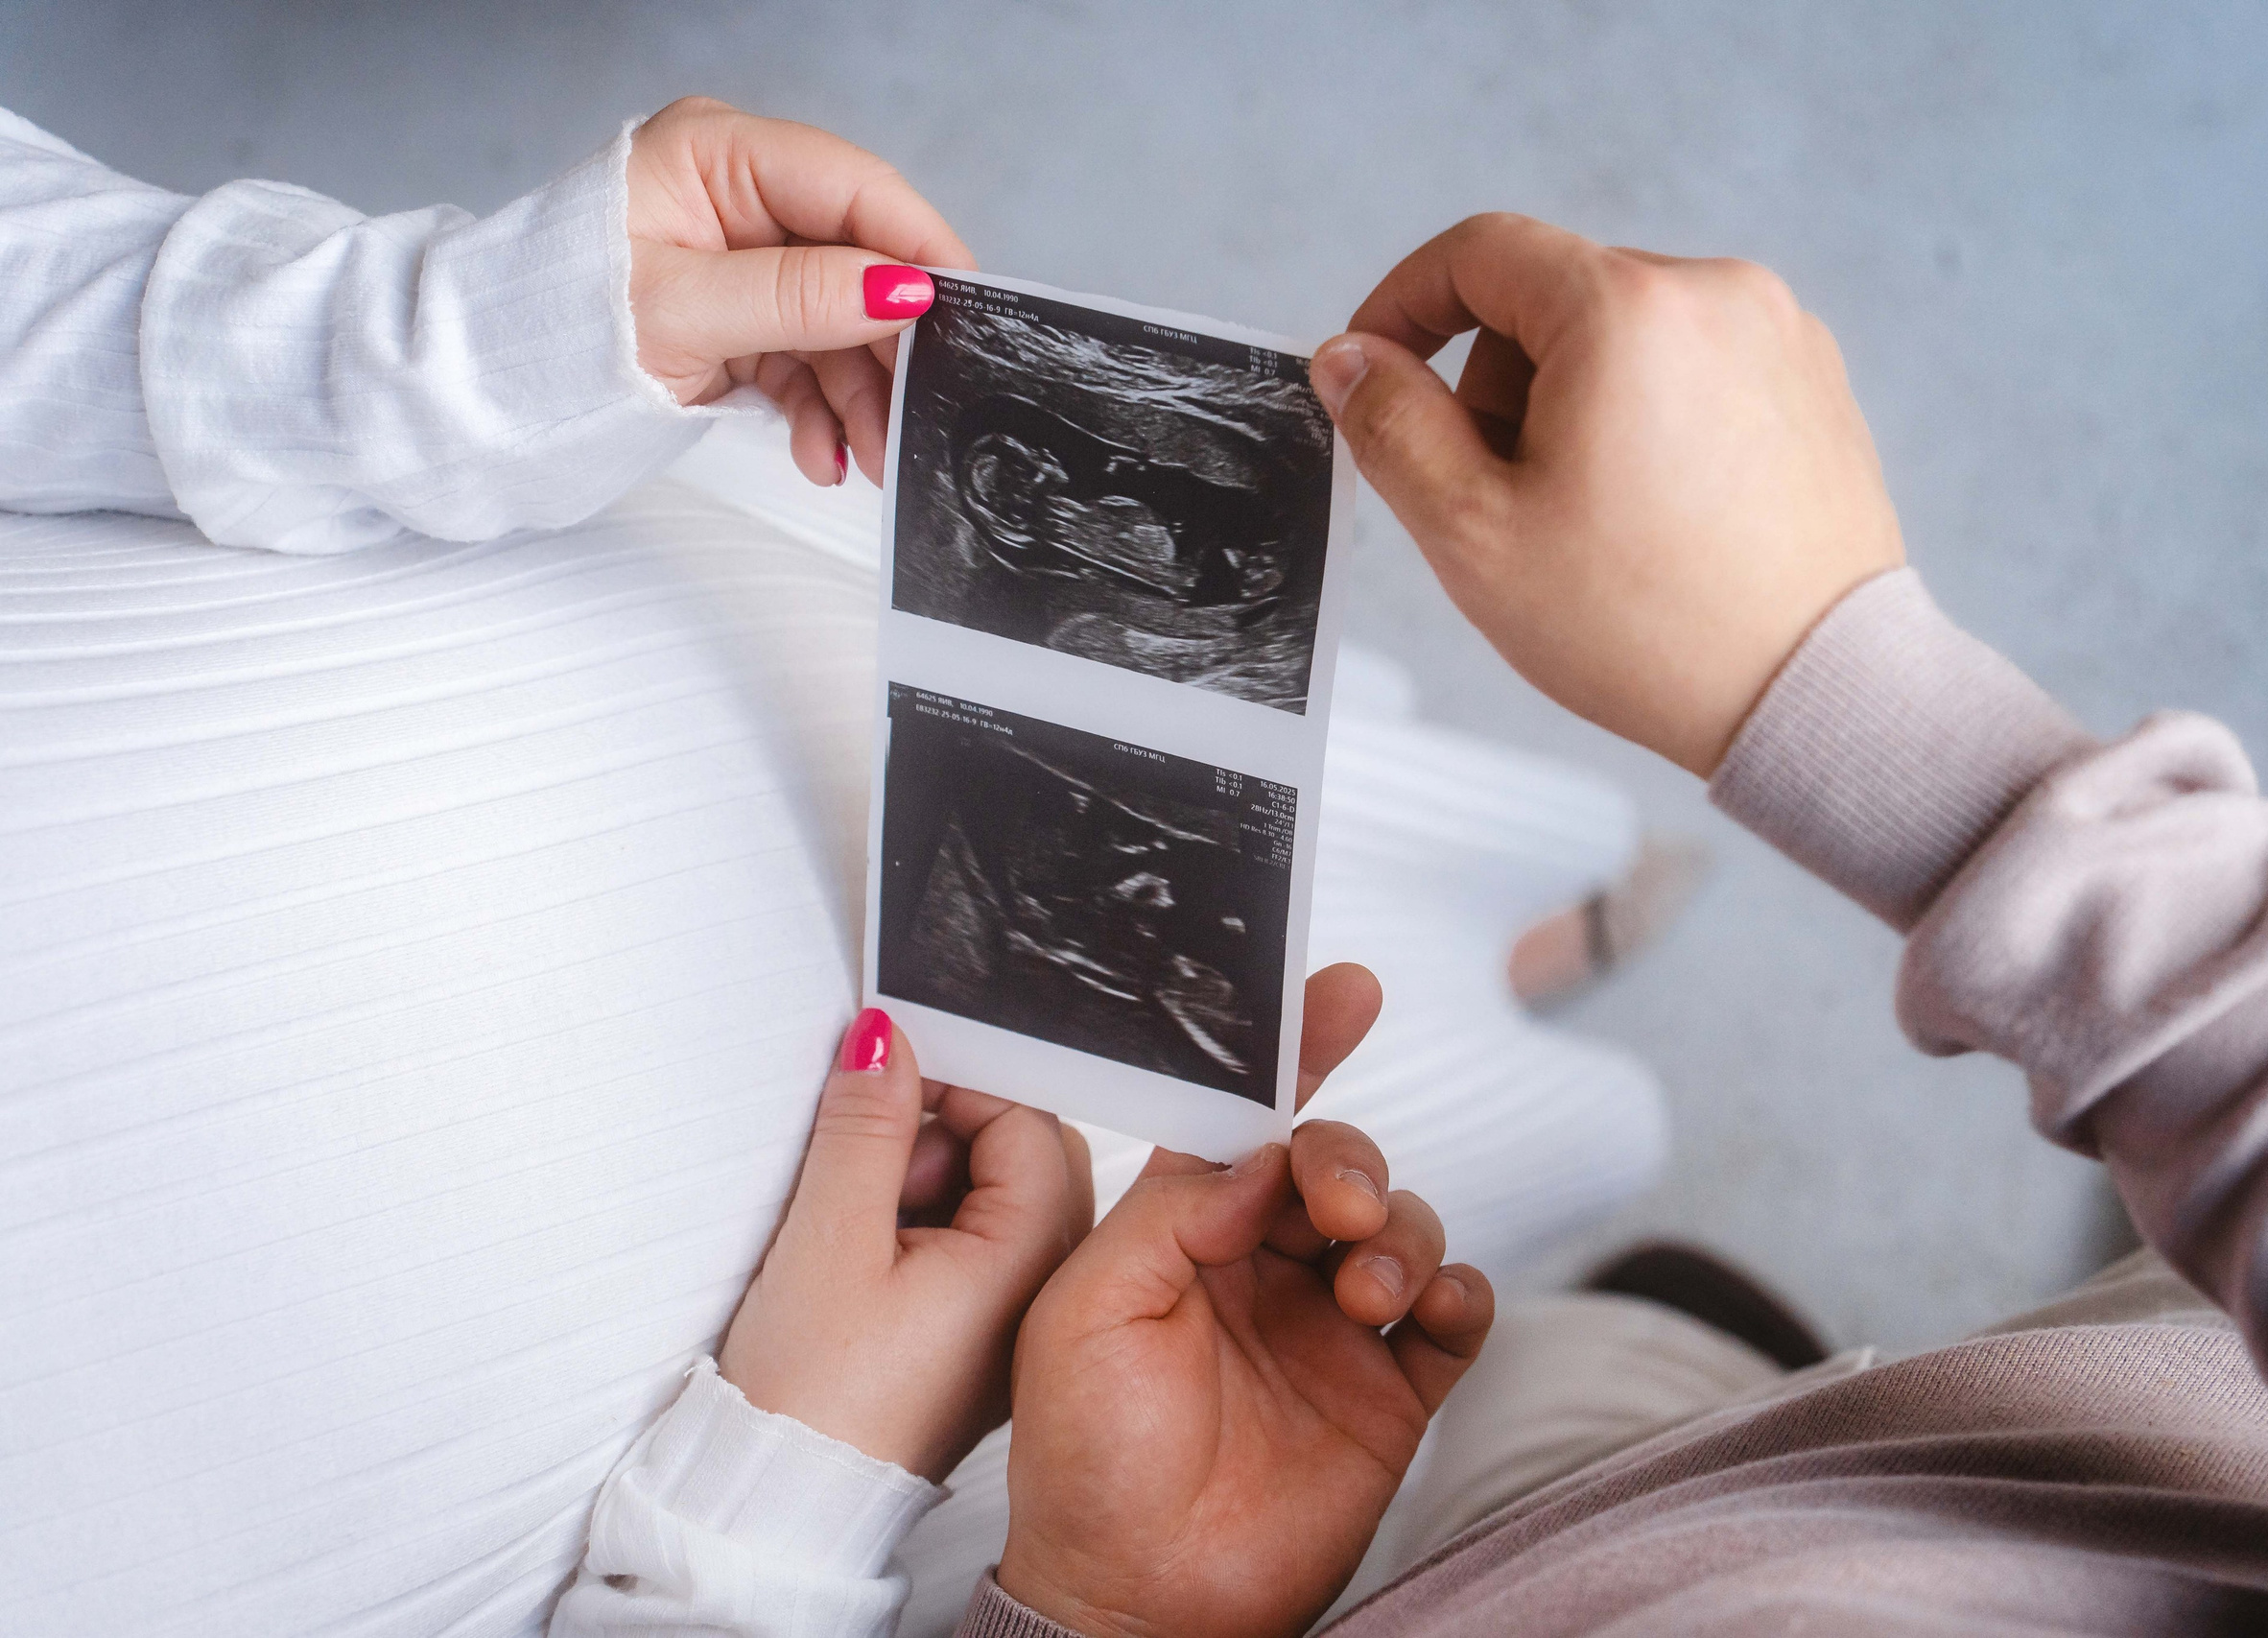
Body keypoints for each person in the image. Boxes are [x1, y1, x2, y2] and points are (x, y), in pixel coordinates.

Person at [557, 227, 2268, 1633]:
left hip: (1482, 1529)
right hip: (1858, 1480)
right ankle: (1705, 1317)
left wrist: (1063, 1601)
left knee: (1571, 1347)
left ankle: (1661, 1273)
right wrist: (1853, 708)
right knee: (1607, 1345)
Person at [0, 99, 1661, 1636]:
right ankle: (1516, 980)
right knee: (1350, 1107)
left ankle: (1501, 919)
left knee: (1295, 804)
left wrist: (428, 341)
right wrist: (785, 1494)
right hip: (842, 1370)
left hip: (641, 636)